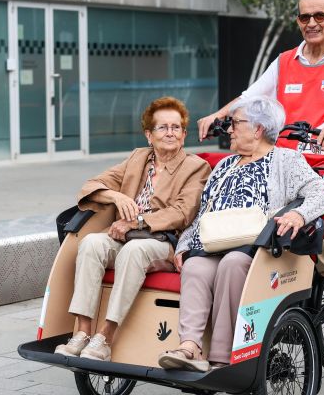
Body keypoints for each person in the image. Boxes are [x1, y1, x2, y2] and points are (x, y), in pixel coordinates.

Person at [196, 0, 324, 316]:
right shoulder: (286, 61)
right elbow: (250, 97)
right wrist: (216, 115)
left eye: (318, 16)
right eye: (304, 18)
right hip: (289, 159)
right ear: (297, 21)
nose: (311, 23)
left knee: (313, 205)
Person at [158, 95, 324, 371]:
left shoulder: (286, 161)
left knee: (231, 264)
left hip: (260, 250)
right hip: (216, 243)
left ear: (258, 129)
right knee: (194, 266)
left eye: (235, 123)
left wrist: (297, 214)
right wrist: (184, 243)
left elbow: (322, 194)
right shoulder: (225, 166)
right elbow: (204, 214)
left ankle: (222, 358)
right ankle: (189, 347)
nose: (229, 129)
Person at [54, 97, 211, 361]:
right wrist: (117, 198)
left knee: (134, 251)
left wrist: (137, 222)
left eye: (176, 127)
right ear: (149, 135)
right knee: (91, 243)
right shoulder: (138, 158)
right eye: (162, 127)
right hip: (122, 235)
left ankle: (105, 336)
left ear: (184, 135)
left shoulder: (196, 167)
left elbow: (182, 212)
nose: (170, 133)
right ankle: (82, 332)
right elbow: (91, 186)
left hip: (162, 239)